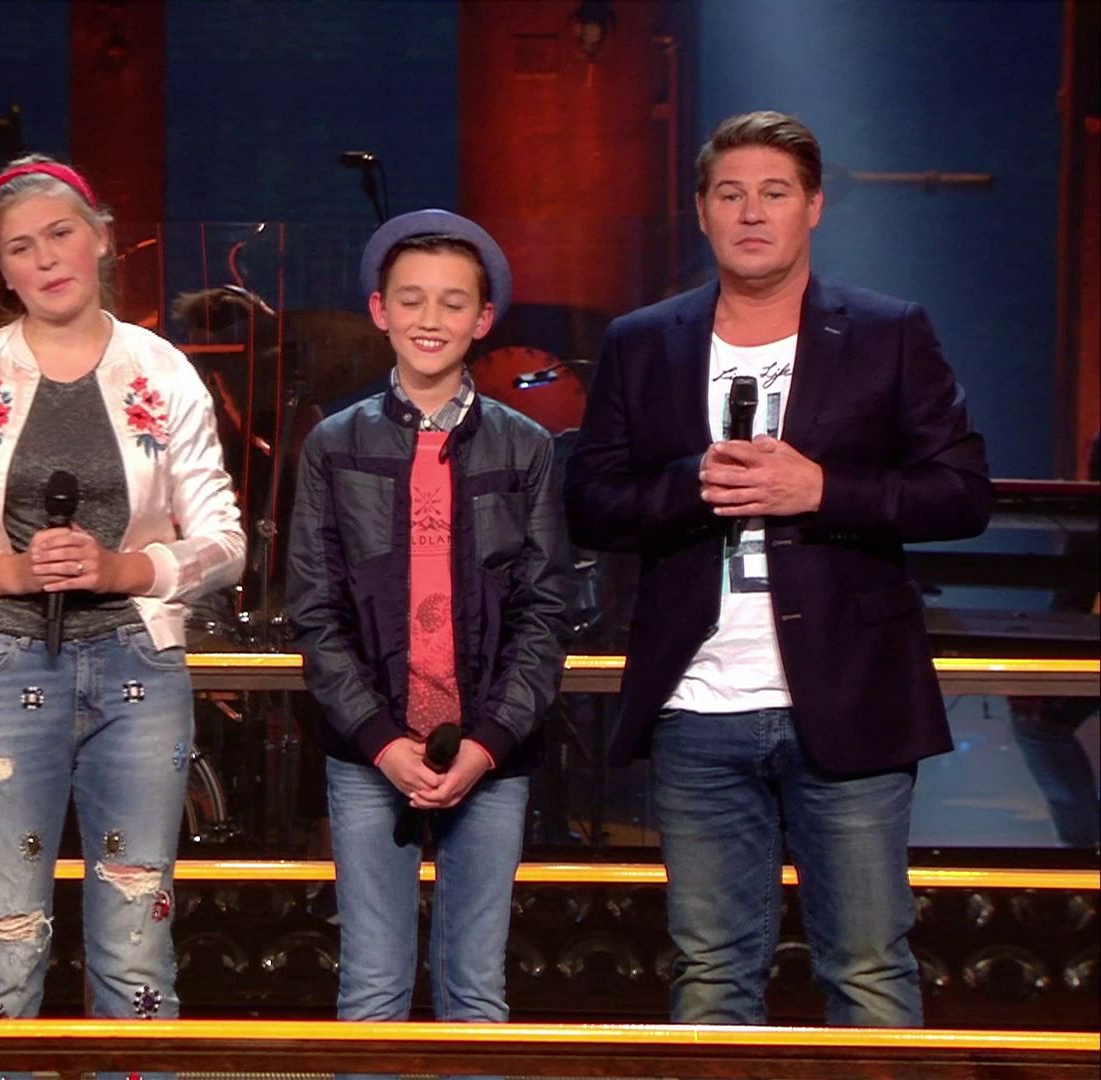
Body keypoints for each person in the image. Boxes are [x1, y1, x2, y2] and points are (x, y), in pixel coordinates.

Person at [564, 111, 993, 1026]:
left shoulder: (887, 332)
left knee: (868, 969)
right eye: (730, 194)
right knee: (711, 977)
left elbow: (961, 493)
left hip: (851, 698)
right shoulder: (644, 340)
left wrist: (821, 489)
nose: (751, 212)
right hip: (696, 706)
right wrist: (690, 485)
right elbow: (591, 502)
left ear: (814, 207)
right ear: (701, 212)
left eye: (774, 193)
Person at [0, 154, 244, 1035]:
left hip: (139, 667)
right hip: (6, 664)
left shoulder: (162, 371)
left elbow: (224, 542)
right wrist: (5, 571)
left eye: (60, 234)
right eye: (21, 247)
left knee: (136, 946)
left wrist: (127, 570)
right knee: (4, 945)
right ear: (1, 269)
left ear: (102, 240)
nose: (46, 258)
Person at [287, 209, 573, 1040]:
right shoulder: (335, 444)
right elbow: (314, 611)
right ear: (380, 310)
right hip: (371, 752)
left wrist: (488, 743)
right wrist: (381, 741)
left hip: (491, 753)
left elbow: (545, 611)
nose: (430, 319)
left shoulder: (525, 447)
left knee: (475, 992)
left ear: (484, 319)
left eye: (453, 302)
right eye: (411, 299)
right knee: (373, 987)